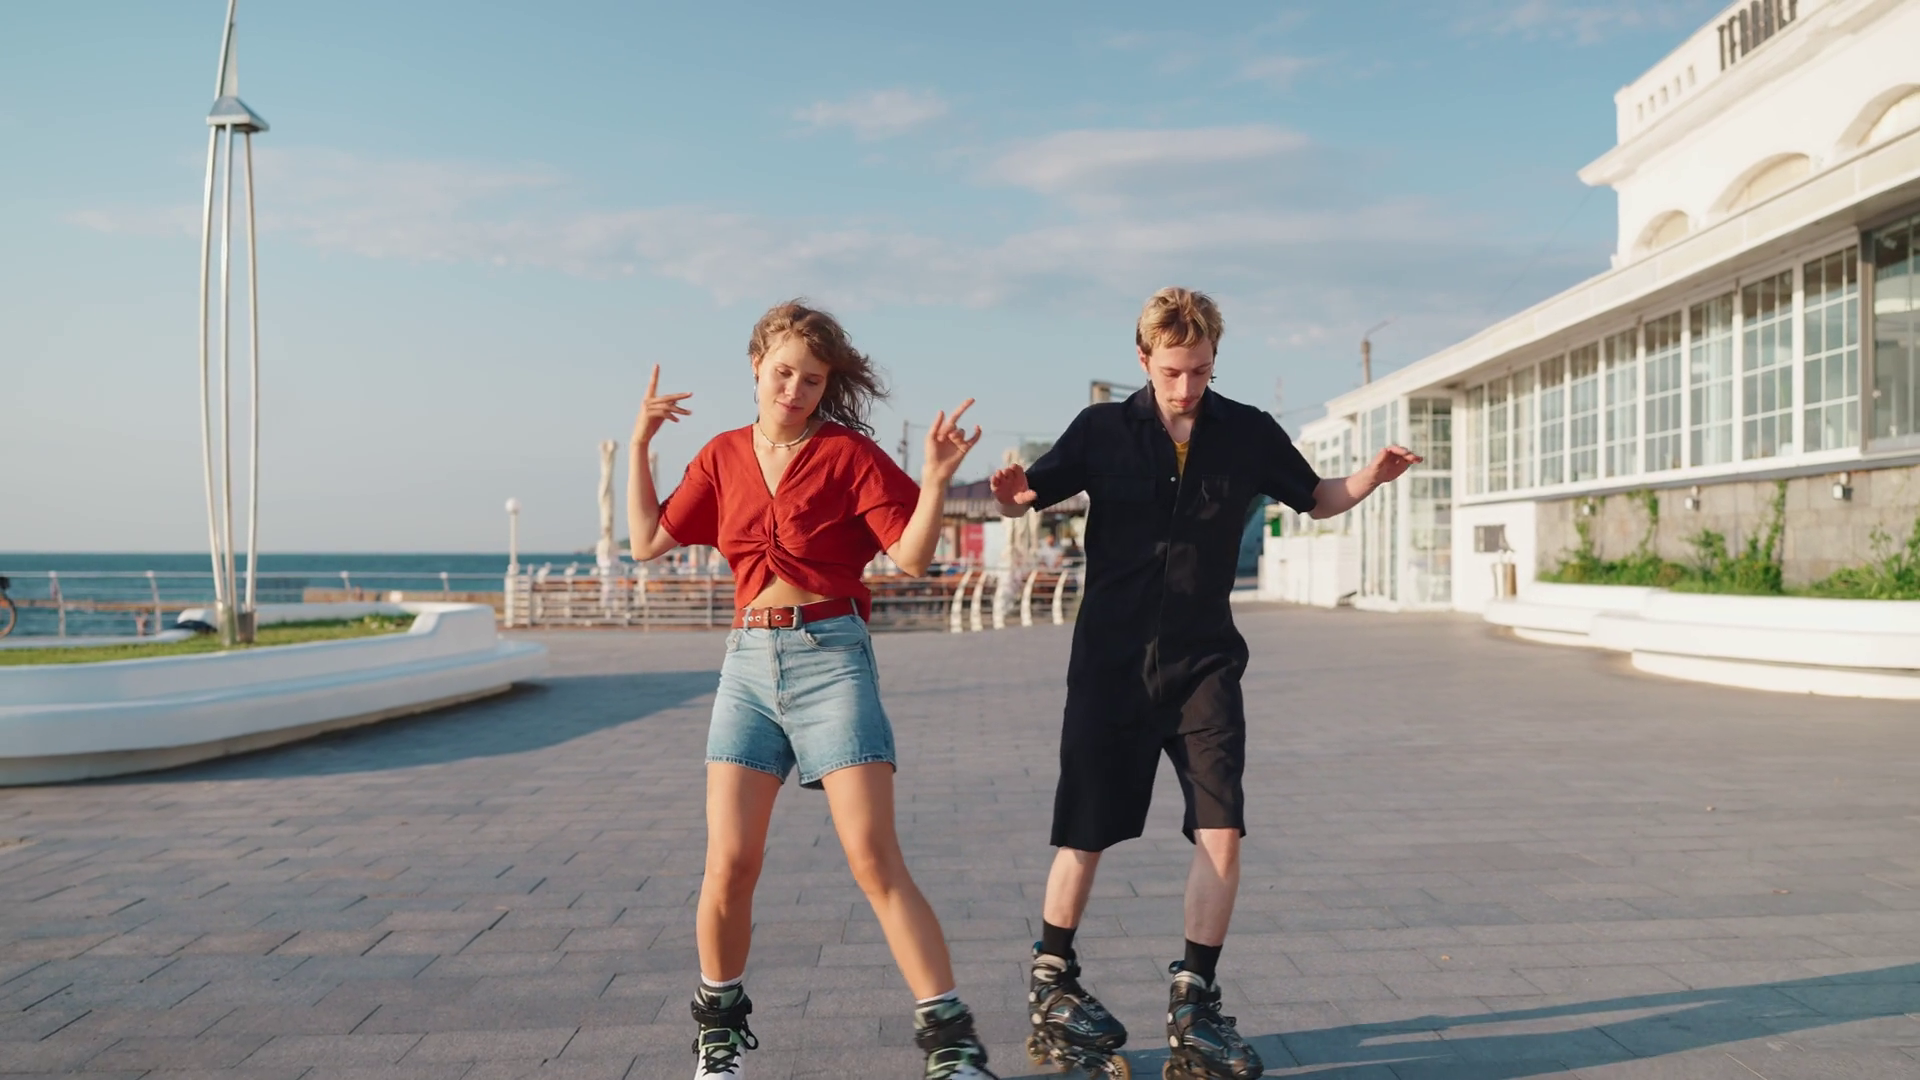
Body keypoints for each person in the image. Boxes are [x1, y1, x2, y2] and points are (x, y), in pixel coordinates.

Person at [991, 287, 1419, 1080]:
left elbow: (1317, 499)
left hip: (1205, 664)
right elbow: (1028, 498)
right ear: (1144, 359)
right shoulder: (1100, 430)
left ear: (1215, 360)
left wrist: (1370, 477)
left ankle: (1195, 1006)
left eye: (1201, 370)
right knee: (1085, 831)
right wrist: (1011, 498)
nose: (1187, 387)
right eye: (1173, 371)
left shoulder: (1247, 431)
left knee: (1222, 831)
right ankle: (1052, 987)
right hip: (1111, 666)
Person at [628, 301, 999, 1080]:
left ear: (827, 385)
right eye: (783, 372)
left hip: (832, 659)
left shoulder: (848, 454)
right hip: (747, 667)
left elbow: (909, 558)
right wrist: (639, 445)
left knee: (873, 858)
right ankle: (718, 1038)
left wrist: (936, 480)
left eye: (812, 379)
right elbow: (648, 541)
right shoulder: (721, 454)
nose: (794, 389)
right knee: (731, 863)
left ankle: (951, 1044)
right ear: (756, 367)